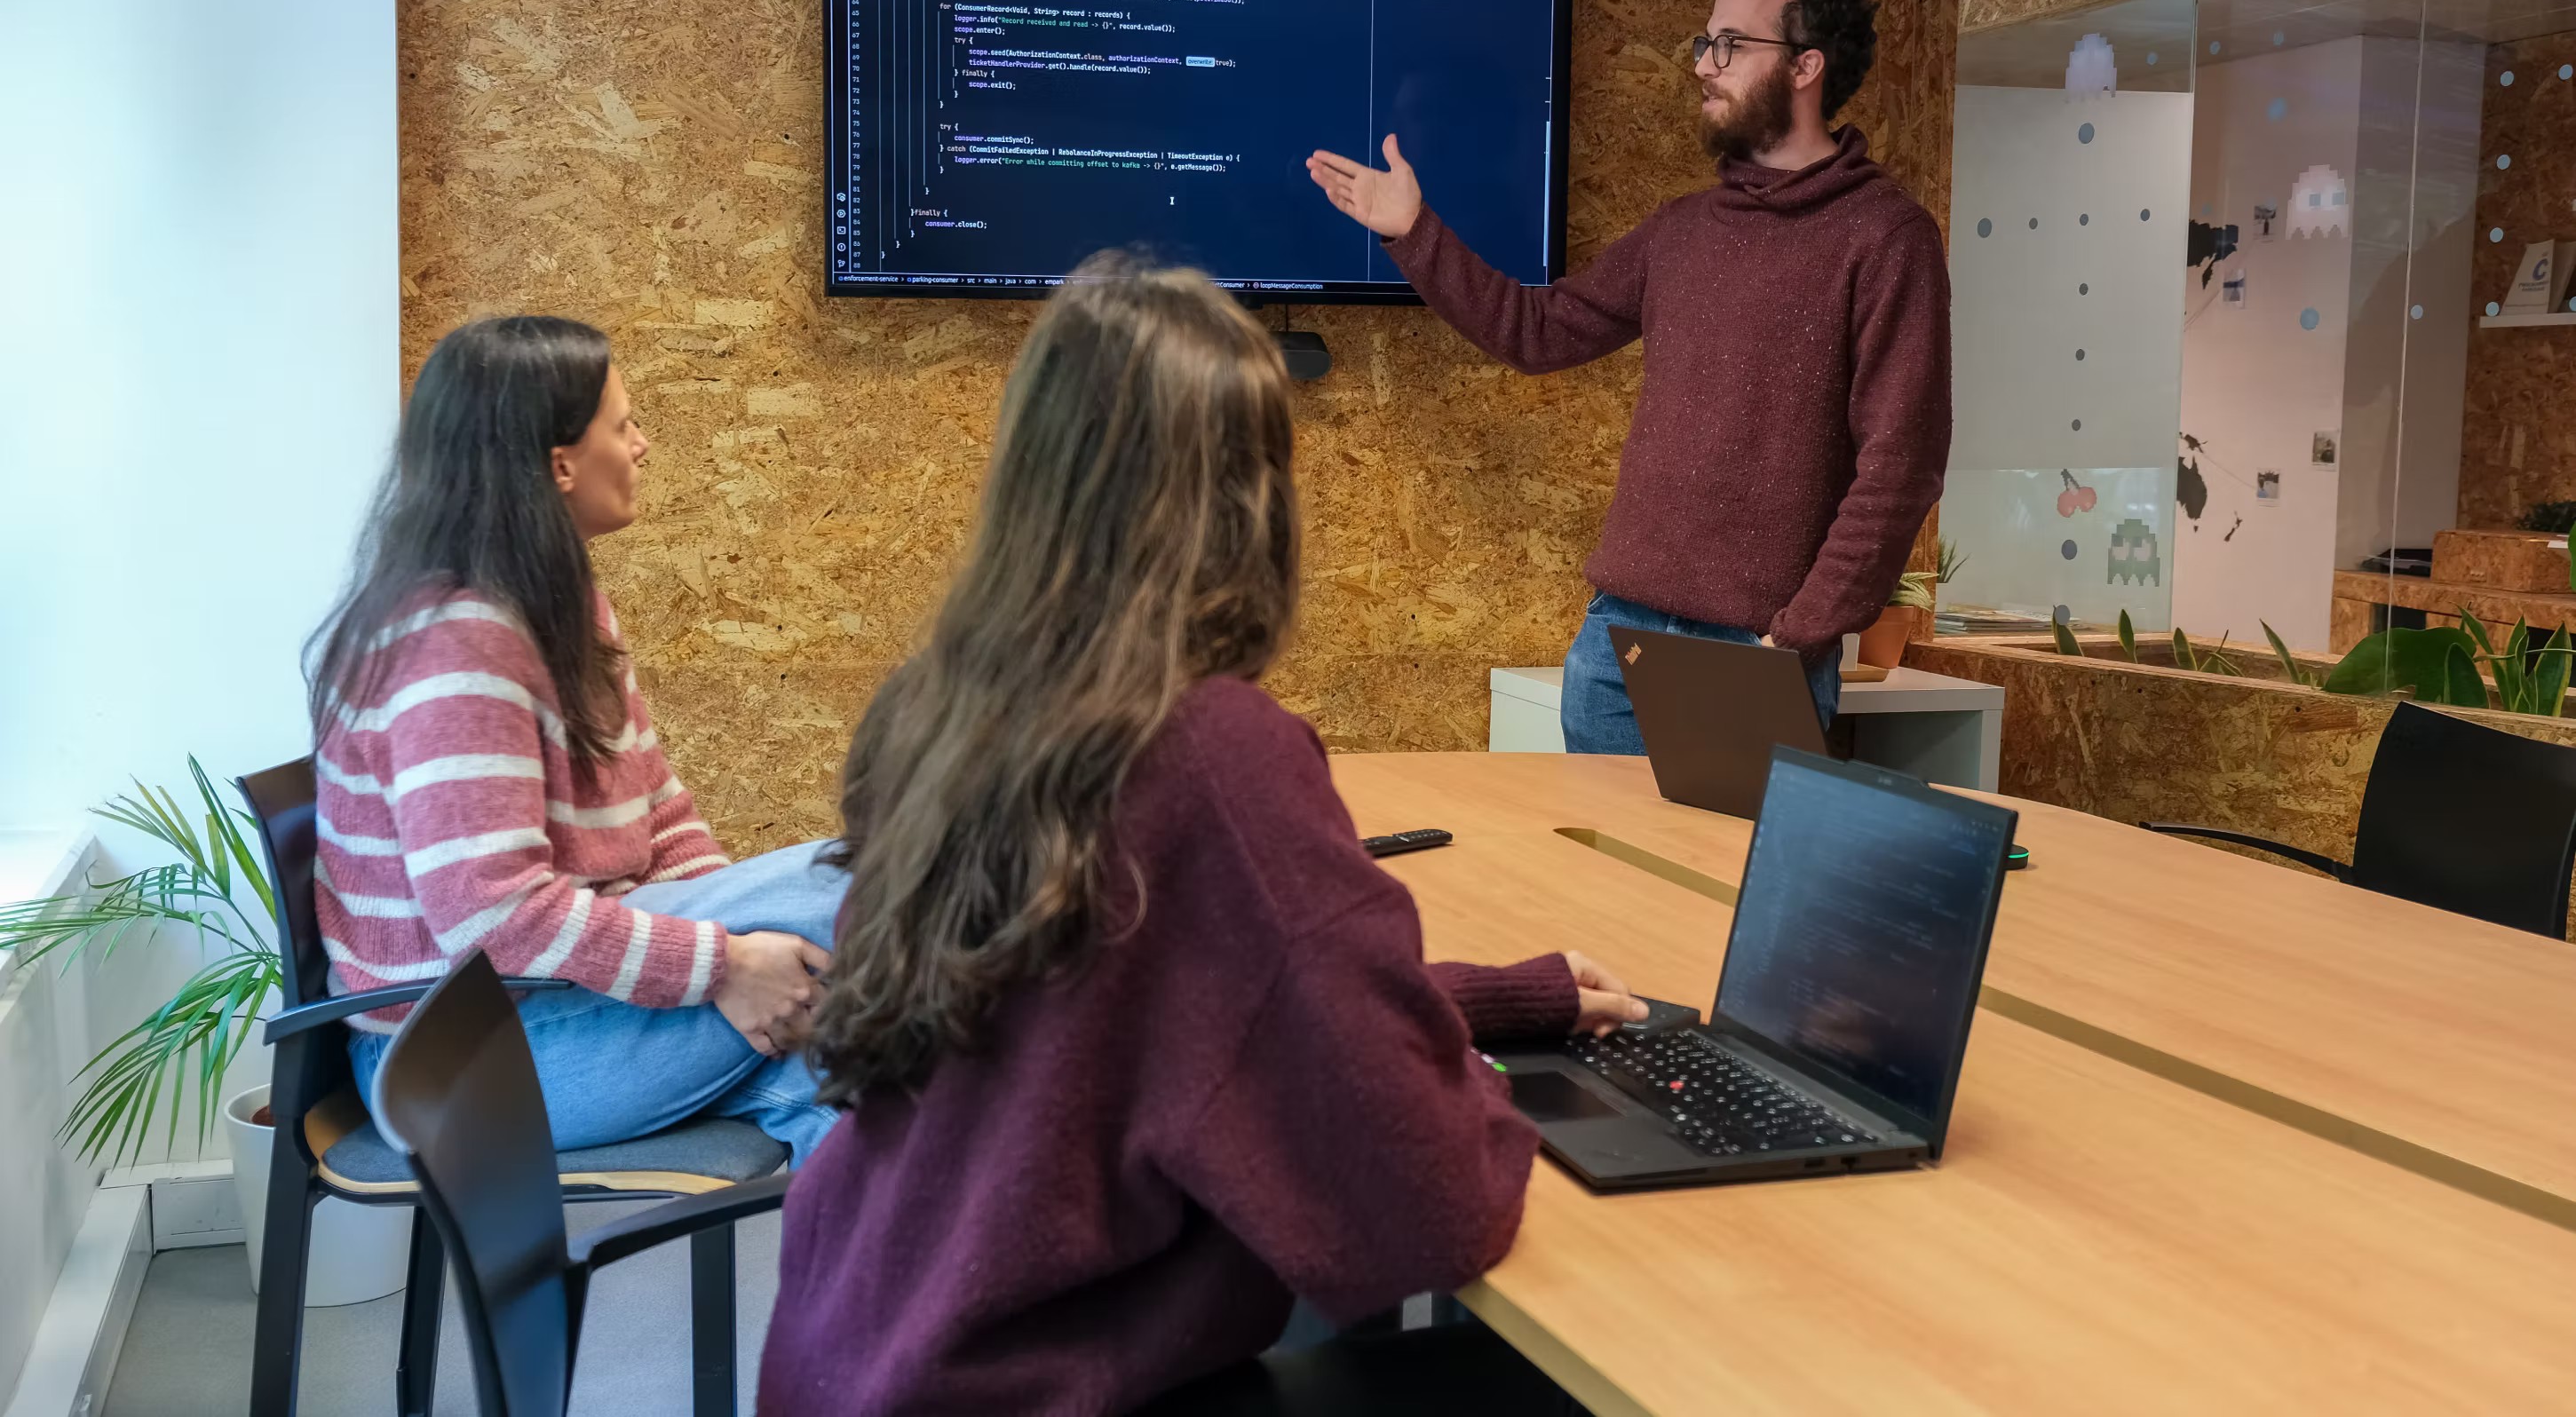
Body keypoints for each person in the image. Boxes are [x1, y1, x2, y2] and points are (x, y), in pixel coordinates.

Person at [761, 259, 1643, 1416]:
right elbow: (1431, 1205)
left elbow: (1134, 1008)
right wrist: (1468, 1085)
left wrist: (1486, 1000)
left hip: (861, 1358)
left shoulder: (944, 707)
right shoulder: (1212, 751)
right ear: (1251, 501)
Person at [1307, 0, 1951, 752]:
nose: (1703, 67)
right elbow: (1534, 333)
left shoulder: (1885, 237)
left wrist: (1798, 638)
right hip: (1618, 642)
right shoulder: (1680, 231)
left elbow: (1902, 462)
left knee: (1713, 882)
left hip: (1756, 653)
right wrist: (1414, 232)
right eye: (1702, 43)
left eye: (1729, 46)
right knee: (1596, 880)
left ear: (1804, 67)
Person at [307, 316, 845, 1164]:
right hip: (459, 1064)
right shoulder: (457, 640)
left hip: (560, 1012)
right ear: (559, 463)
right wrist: (725, 965)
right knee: (867, 891)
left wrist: (753, 961)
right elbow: (495, 916)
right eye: (623, 424)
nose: (643, 445)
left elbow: (661, 814)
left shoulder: (559, 603)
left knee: (869, 1086)